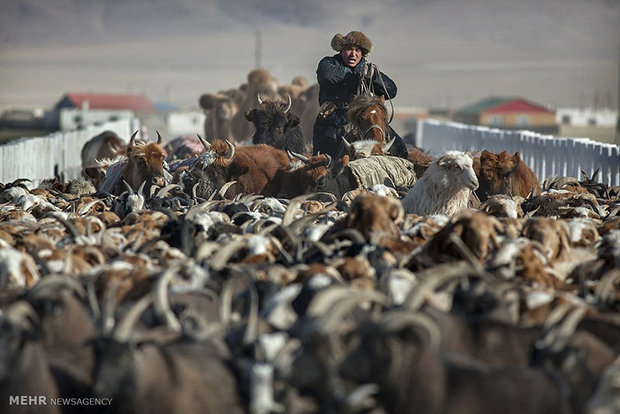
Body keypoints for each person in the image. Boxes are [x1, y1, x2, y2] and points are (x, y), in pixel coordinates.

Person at [312, 31, 408, 159]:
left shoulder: (369, 69)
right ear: (341, 50)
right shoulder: (328, 63)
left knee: (400, 148)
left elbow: (391, 91)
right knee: (326, 157)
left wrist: (374, 77)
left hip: (361, 118)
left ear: (362, 53)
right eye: (349, 49)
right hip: (333, 116)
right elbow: (326, 75)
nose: (353, 54)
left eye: (357, 50)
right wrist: (357, 74)